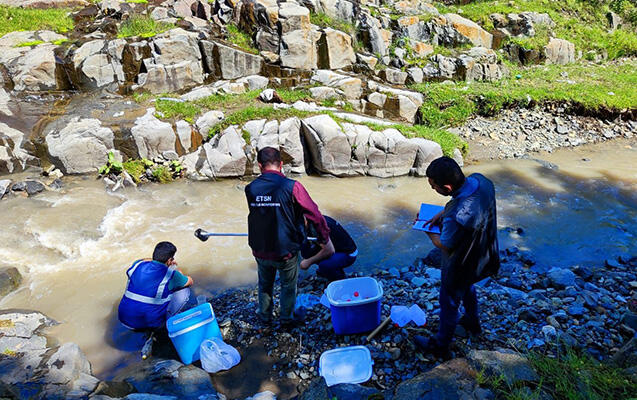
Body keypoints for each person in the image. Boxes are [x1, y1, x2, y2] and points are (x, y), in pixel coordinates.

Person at [414, 156, 500, 357]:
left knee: (449, 302)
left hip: (460, 263)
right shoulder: (482, 181)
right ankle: (473, 322)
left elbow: (445, 245)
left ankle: (440, 346)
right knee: (468, 286)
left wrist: (428, 230)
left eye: (434, 187)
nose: (433, 190)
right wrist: (444, 211)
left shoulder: (457, 214)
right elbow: (465, 201)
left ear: (447, 188)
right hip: (484, 253)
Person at [245, 147, 330, 327]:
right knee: (288, 286)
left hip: (260, 249)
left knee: (265, 285)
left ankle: (265, 319)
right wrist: (323, 238)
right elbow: (314, 214)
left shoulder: (250, 188)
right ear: (281, 165)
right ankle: (286, 320)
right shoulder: (292, 186)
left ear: (260, 166)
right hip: (286, 250)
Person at [118, 241, 194, 331]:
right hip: (148, 325)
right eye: (172, 259)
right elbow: (190, 281)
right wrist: (179, 273)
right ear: (169, 260)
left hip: (123, 319)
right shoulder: (169, 274)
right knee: (184, 291)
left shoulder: (137, 265)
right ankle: (165, 325)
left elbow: (143, 260)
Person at [300, 215, 357, 282]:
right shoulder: (310, 217)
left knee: (324, 265)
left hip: (348, 253)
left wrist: (308, 262)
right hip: (334, 247)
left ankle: (339, 280)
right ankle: (329, 270)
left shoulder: (317, 226)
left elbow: (329, 250)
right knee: (305, 250)